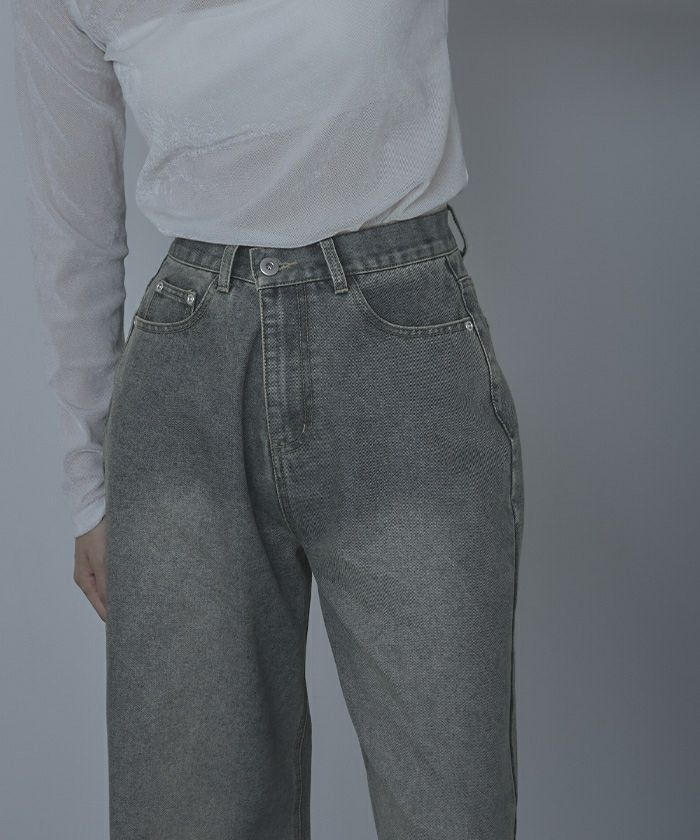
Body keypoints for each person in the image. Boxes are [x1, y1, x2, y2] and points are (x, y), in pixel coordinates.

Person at [10, 1, 525, 838]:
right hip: (187, 381)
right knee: (189, 815)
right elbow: (74, 228)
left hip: (404, 358)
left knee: (450, 809)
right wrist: (87, 483)